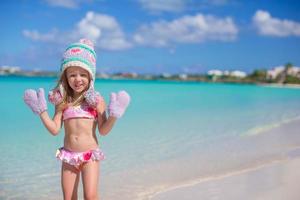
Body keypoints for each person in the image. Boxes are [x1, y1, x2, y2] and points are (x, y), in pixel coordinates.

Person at [23, 38, 130, 200]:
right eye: (72, 75)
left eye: (83, 74)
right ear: (65, 77)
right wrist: (41, 111)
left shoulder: (96, 101)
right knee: (69, 198)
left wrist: (114, 116)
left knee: (91, 196)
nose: (78, 79)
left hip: (89, 155)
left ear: (90, 76)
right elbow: (54, 130)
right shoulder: (62, 101)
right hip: (68, 155)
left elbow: (103, 131)